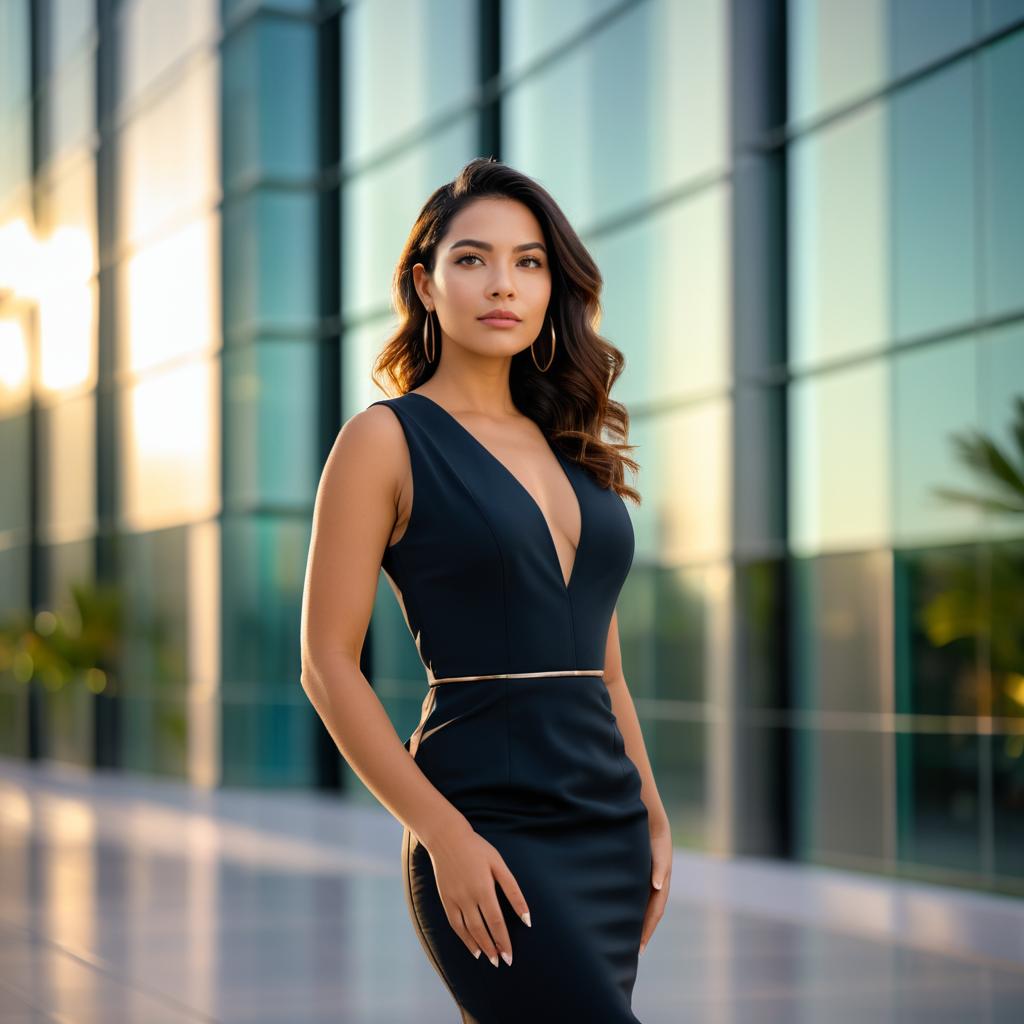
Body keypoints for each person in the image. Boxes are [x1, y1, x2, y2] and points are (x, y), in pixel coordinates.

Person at [300, 156, 671, 1022]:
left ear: (552, 287)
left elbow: (605, 670)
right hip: (485, 824)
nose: (501, 283)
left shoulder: (572, 443)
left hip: (606, 824)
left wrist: (651, 813)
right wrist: (442, 833)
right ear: (426, 285)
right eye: (472, 259)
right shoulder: (384, 440)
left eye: (528, 261)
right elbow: (326, 663)